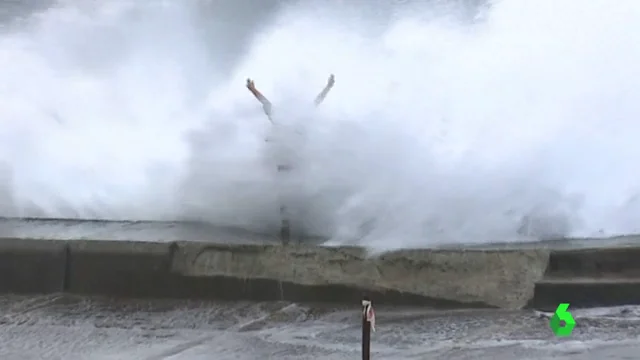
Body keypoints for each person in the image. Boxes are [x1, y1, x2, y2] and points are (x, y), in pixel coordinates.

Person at [245, 74, 335, 123]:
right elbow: (265, 102)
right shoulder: (280, 116)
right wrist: (253, 89)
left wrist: (328, 87)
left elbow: (317, 101)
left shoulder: (302, 117)